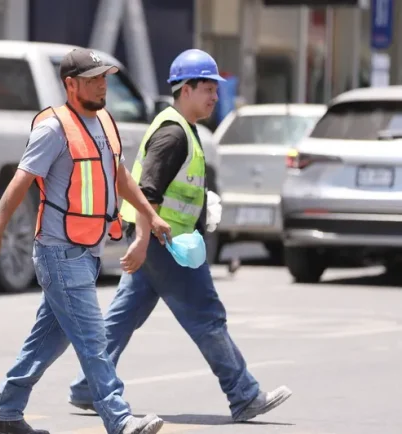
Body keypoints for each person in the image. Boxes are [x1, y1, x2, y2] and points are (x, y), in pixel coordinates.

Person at [66, 49, 293, 422]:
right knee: (206, 315)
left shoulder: (184, 129)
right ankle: (243, 394)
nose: (215, 97)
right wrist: (141, 241)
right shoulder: (173, 133)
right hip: (162, 242)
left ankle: (88, 386)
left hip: (162, 239)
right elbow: (147, 191)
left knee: (124, 315)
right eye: (207, 89)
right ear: (185, 89)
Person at [0, 48, 171, 434]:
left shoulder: (105, 122)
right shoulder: (54, 128)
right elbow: (21, 180)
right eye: (94, 79)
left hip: (89, 249)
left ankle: (7, 412)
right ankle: (119, 419)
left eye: (105, 78)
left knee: (47, 340)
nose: (103, 85)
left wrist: (150, 214)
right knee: (93, 339)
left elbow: (121, 176)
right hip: (58, 252)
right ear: (70, 84)